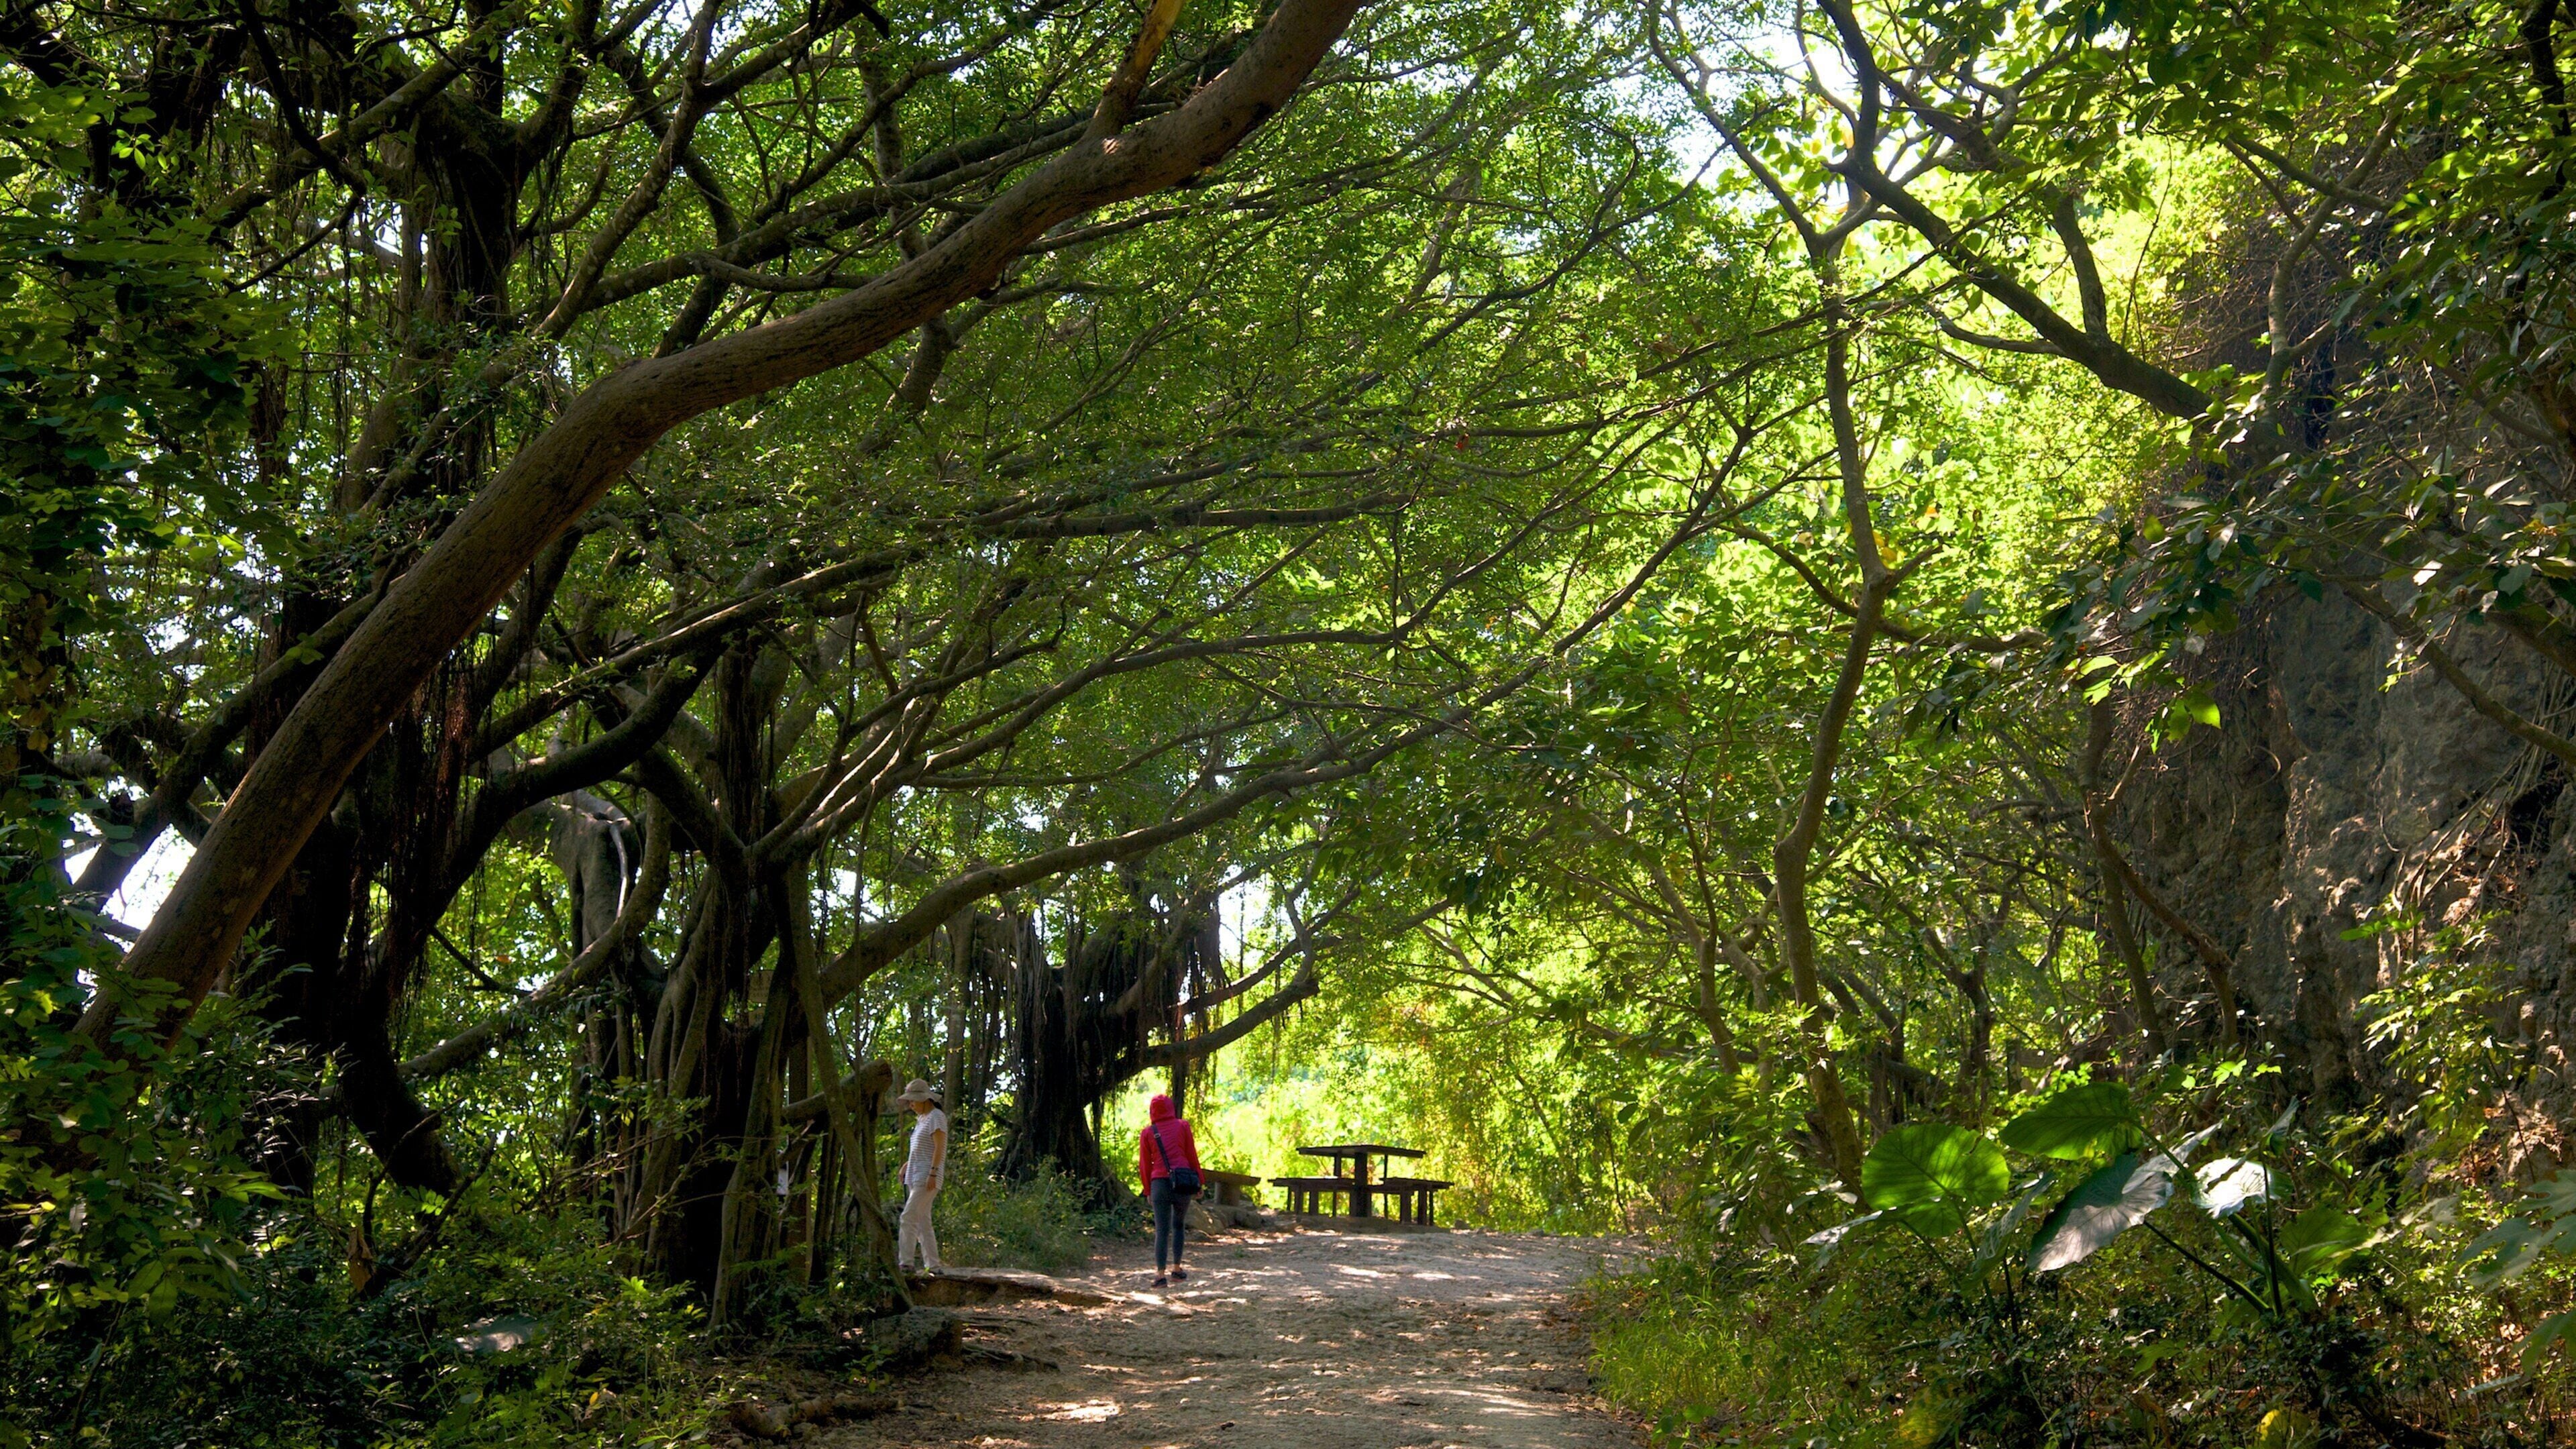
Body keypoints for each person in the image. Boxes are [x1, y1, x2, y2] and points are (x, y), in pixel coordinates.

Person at [1136, 1093, 1201, 1288]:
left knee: (1161, 1230)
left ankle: (1159, 1275)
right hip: (1182, 1182)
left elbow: (1145, 1165)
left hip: (1159, 1184)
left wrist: (1148, 1190)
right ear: (1171, 1108)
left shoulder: (1148, 1133)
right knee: (1178, 1225)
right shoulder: (1183, 1126)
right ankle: (1177, 1269)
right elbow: (1191, 1155)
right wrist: (1200, 1181)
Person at [894, 1079, 946, 1271]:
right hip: (915, 1175)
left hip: (927, 1176)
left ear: (925, 1099)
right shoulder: (921, 1119)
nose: (911, 1105)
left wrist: (933, 1173)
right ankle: (933, 1265)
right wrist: (907, 1164)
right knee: (923, 1221)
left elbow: (940, 1147)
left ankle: (906, 1263)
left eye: (913, 1101)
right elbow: (922, 1148)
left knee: (908, 1217)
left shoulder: (936, 1117)